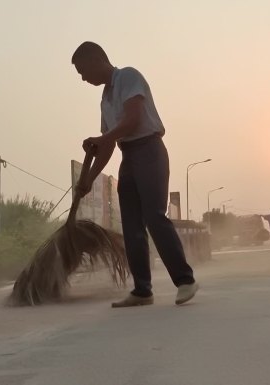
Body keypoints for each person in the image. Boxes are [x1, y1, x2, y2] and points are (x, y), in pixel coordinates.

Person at [71, 41, 198, 307]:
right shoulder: (105, 97)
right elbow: (107, 146)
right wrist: (88, 179)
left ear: (97, 60)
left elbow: (133, 121)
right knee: (131, 225)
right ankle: (142, 290)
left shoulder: (128, 76)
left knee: (153, 216)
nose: (83, 79)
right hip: (128, 155)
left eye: (83, 71)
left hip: (149, 150)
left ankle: (185, 280)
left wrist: (101, 137)